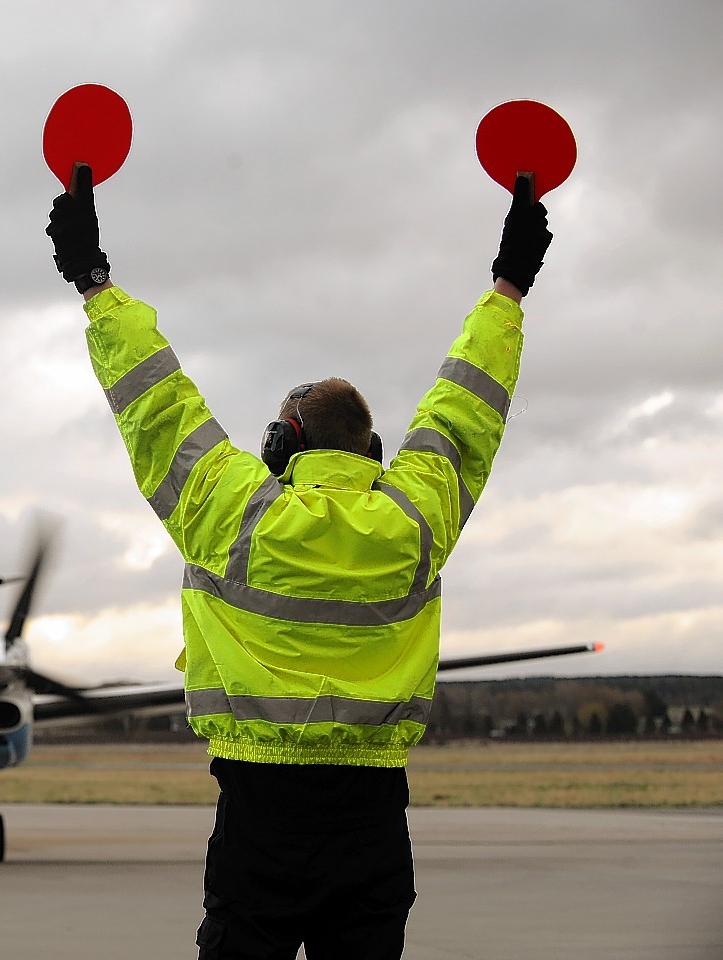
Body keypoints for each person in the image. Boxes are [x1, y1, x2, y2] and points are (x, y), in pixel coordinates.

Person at [46, 164, 552, 959]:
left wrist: (94, 280)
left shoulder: (235, 512)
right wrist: (510, 285)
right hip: (374, 816)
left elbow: (154, 396)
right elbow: (466, 407)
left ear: (282, 442)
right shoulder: (415, 518)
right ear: (372, 450)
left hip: (261, 816)